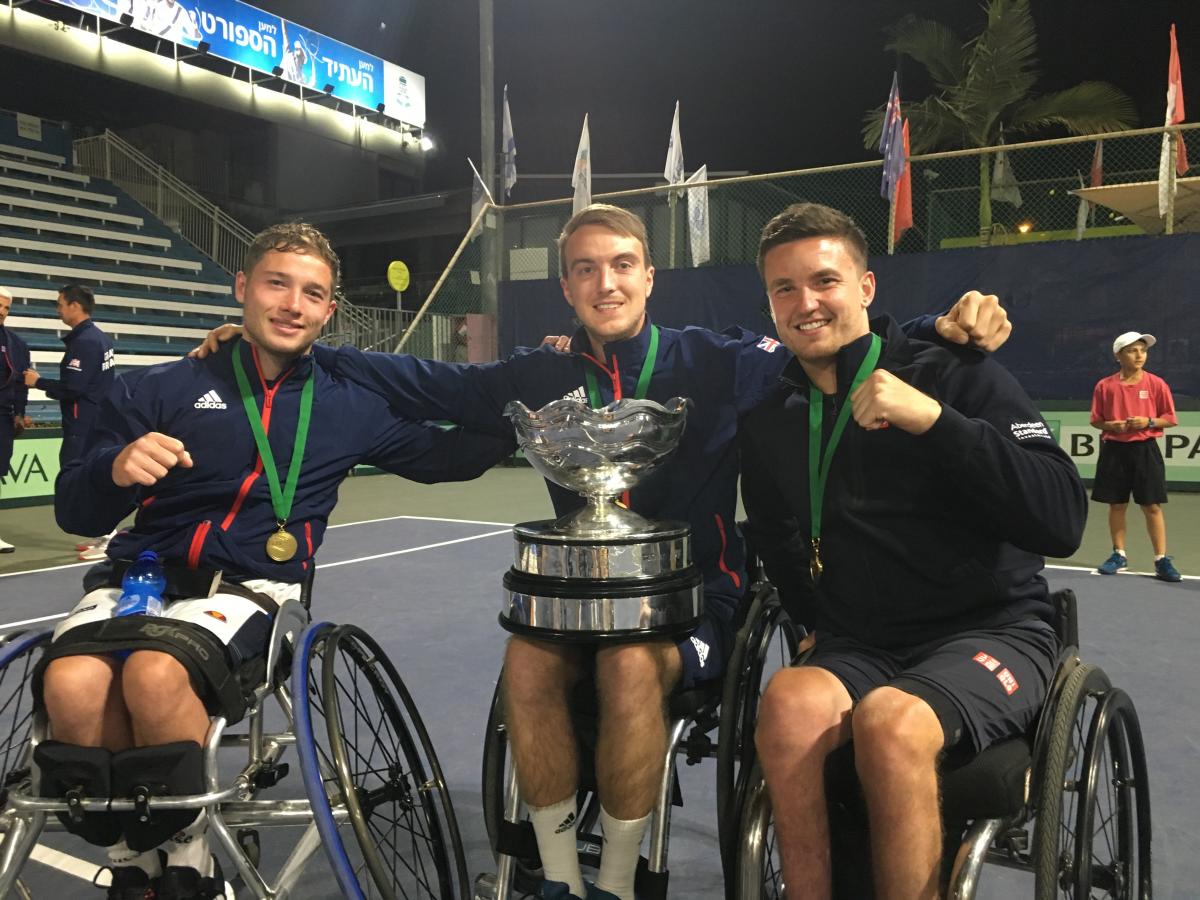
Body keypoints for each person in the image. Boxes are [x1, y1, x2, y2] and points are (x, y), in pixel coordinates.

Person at [194, 204, 1011, 900]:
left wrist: (941, 327)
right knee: (525, 662)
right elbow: (422, 382)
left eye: (622, 265)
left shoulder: (720, 362)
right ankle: (555, 874)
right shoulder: (538, 374)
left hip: (698, 606)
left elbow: (831, 347)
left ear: (650, 277)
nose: (606, 283)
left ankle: (617, 880)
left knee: (628, 666)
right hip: (579, 600)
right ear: (568, 286)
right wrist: (287, 342)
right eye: (586, 270)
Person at [39, 223, 512, 900]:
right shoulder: (161, 388)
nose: (292, 303)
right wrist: (115, 470)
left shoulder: (348, 402)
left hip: (256, 587)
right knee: (72, 688)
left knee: (153, 675)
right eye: (276, 283)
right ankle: (134, 862)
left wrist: (520, 411)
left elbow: (449, 458)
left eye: (311, 293)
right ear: (242, 289)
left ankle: (189, 864)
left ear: (328, 312)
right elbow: (75, 514)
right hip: (135, 579)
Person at [739, 202, 1087, 900]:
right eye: (785, 288)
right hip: (862, 642)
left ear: (865, 289)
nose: (805, 303)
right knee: (787, 702)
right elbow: (777, 536)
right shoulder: (772, 416)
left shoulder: (957, 373)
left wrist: (936, 422)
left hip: (991, 631)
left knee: (891, 721)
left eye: (825, 281)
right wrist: (815, 623)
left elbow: (1061, 516)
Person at [23, 283, 117, 559]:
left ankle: (108, 538)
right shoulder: (99, 338)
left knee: (87, 479)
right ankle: (104, 536)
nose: (58, 310)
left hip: (83, 423)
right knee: (92, 478)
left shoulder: (86, 342)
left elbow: (73, 387)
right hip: (95, 419)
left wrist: (38, 382)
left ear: (75, 306)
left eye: (60, 304)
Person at [1090, 331, 1181, 582]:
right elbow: (1096, 421)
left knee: (1152, 505)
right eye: (1132, 350)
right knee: (1117, 504)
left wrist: (1148, 421)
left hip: (1145, 450)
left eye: (1143, 350)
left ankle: (1161, 560)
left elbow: (1170, 419)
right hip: (1114, 451)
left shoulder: (1156, 384)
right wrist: (1112, 426)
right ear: (1119, 356)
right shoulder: (1104, 386)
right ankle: (1119, 555)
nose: (1140, 355)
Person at [1, 286, 33, 553]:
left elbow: (22, 382)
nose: (2, 312)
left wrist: (20, 413)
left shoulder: (18, 344)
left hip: (4, 417)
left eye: (6, 308)